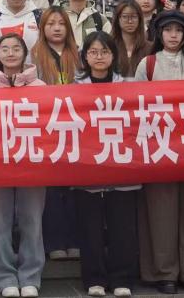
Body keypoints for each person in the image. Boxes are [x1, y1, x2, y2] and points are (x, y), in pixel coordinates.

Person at [134, 11, 184, 295]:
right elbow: (136, 106)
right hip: (160, 147)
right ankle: (164, 272)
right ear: (159, 33)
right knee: (161, 213)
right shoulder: (148, 64)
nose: (173, 35)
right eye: (168, 30)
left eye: (178, 30)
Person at [72, 32, 139, 298]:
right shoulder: (74, 90)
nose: (99, 57)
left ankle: (122, 278)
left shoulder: (130, 87)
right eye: (93, 52)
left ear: (114, 55)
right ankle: (94, 279)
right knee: (90, 229)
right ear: (85, 57)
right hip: (88, 169)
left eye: (105, 52)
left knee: (123, 228)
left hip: (122, 167)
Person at [0, 34, 46, 298]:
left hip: (32, 163)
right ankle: (4, 276)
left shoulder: (40, 87)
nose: (10, 53)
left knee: (32, 220)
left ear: (24, 53)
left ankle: (30, 276)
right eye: (4, 49)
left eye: (16, 48)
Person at [28, 7, 80, 261]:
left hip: (75, 130)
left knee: (74, 188)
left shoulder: (78, 54)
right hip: (46, 131)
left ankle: (74, 240)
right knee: (50, 190)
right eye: (51, 24)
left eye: (61, 23)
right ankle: (54, 242)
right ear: (42, 28)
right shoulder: (34, 55)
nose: (57, 28)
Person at [109, 0, 151, 78]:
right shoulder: (109, 47)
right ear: (118, 19)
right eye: (125, 17)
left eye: (134, 17)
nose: (130, 21)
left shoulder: (150, 48)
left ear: (139, 19)